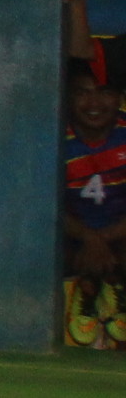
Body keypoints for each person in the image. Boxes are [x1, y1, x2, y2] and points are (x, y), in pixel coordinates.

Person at [62, 65, 126, 348]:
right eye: (83, 93)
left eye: (104, 93)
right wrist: (88, 238)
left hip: (118, 232)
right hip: (72, 234)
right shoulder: (54, 137)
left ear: (119, 97)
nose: (94, 104)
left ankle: (114, 286)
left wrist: (103, 240)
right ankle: (87, 290)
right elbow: (44, 206)